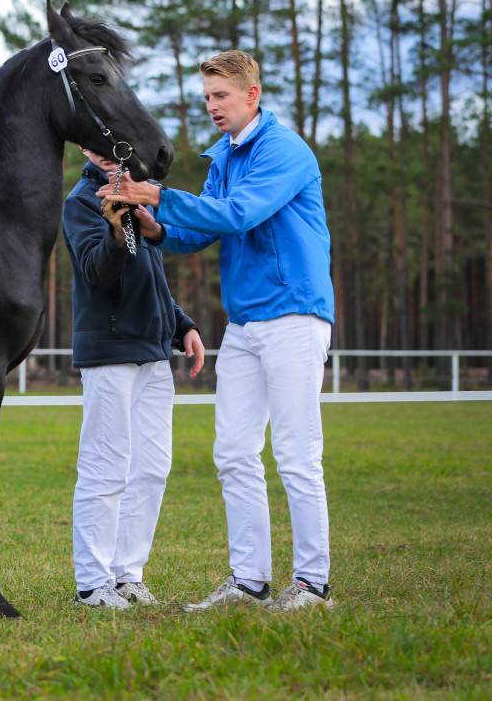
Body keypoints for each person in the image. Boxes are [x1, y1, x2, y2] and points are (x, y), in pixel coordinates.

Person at [98, 50, 336, 611]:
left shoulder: (284, 151)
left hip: (295, 316)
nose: (211, 107)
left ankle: (312, 583)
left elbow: (238, 215)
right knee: (232, 453)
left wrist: (156, 193)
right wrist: (155, 227)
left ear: (252, 95)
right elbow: (200, 226)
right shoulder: (225, 158)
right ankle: (249, 582)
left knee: (298, 454)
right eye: (206, 97)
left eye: (220, 96)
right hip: (246, 324)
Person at [63, 149, 205, 609]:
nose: (112, 154)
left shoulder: (137, 193)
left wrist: (182, 323)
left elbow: (151, 274)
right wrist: (116, 228)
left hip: (154, 351)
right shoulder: (82, 201)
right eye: (101, 147)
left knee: (151, 468)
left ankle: (128, 574)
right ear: (87, 149)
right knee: (106, 466)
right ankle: (92, 583)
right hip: (109, 352)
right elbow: (96, 271)